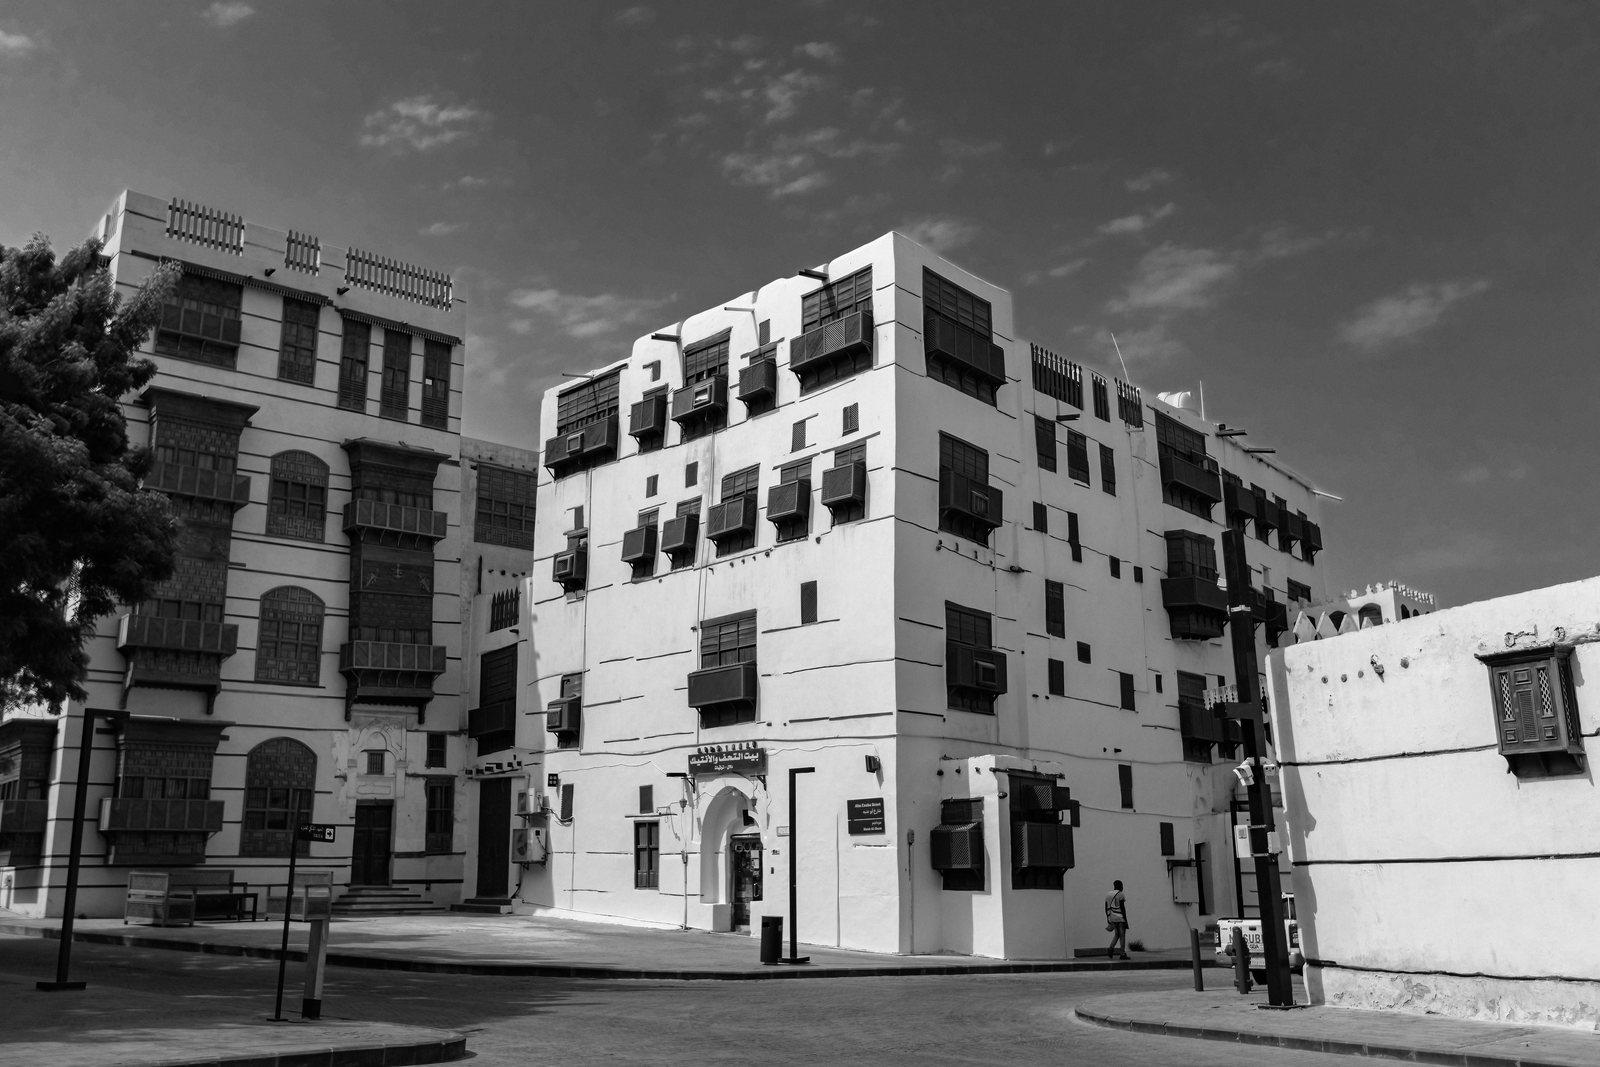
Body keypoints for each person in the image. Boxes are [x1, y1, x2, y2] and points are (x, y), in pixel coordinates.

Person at [1104, 879, 1129, 960]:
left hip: (1113, 918)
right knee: (1122, 935)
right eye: (1122, 886)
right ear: (1120, 886)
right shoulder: (1121, 894)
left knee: (1116, 934)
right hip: (1120, 918)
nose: (1123, 887)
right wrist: (1125, 920)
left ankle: (1110, 949)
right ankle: (1122, 954)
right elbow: (1122, 908)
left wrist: (1108, 918)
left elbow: (1106, 907)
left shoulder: (1108, 894)